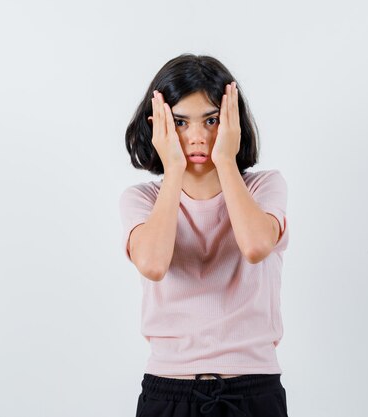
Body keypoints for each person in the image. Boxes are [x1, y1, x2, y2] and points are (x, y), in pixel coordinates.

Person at [119, 53, 290, 417]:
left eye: (211, 120)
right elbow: (152, 263)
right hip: (168, 390)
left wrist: (226, 161)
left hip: (253, 387)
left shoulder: (264, 187)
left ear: (231, 122)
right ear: (159, 126)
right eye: (180, 122)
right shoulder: (142, 200)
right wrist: (174, 168)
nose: (197, 136)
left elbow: (257, 246)